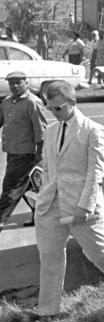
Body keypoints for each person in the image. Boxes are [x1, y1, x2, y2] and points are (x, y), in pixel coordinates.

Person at [34, 82, 104, 317]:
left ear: (73, 103)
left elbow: (96, 172)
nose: (54, 112)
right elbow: (48, 168)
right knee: (49, 258)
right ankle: (47, 312)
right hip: (50, 205)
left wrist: (86, 206)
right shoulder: (51, 130)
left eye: (58, 108)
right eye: (49, 107)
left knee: (100, 254)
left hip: (82, 208)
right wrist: (42, 196)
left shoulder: (93, 130)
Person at [0, 72, 46, 227]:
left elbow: (41, 129)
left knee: (10, 187)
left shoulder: (33, 102)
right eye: (11, 83)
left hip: (26, 153)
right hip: (12, 151)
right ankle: (38, 216)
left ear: (26, 82)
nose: (14, 86)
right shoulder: (6, 102)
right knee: (30, 187)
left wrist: (39, 152)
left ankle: (1, 219)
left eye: (18, 82)